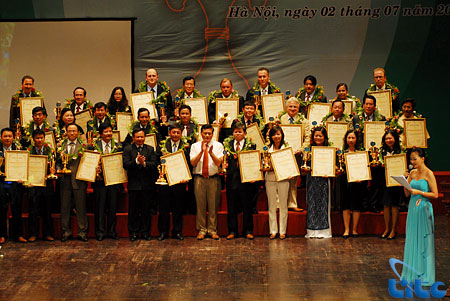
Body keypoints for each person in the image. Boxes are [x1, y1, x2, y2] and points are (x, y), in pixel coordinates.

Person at [401, 148, 438, 286]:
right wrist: (405, 181)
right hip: (413, 208)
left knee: (424, 241)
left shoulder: (429, 174)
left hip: (423, 208)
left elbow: (435, 194)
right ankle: (412, 273)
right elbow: (406, 194)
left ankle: (425, 274)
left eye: (415, 159)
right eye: (411, 159)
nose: (412, 162)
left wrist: (420, 192)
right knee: (412, 239)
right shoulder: (412, 172)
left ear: (422, 159)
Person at [123, 128, 158, 241]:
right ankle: (133, 232)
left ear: (145, 137)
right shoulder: (128, 149)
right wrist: (136, 162)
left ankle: (145, 232)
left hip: (147, 185)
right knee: (133, 210)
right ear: (133, 138)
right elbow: (125, 164)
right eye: (137, 137)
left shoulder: (150, 149)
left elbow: (154, 165)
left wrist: (144, 164)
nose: (140, 139)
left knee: (145, 210)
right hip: (133, 185)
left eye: (142, 137)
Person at [222, 121, 256, 240]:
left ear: (245, 133)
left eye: (240, 132)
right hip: (231, 179)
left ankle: (248, 230)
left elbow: (253, 162)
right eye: (235, 132)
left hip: (246, 180)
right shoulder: (227, 145)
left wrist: (253, 176)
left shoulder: (251, 145)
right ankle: (232, 230)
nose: (237, 134)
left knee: (247, 206)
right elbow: (224, 159)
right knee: (231, 207)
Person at [189, 124, 224, 240]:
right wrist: (201, 152)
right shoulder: (195, 146)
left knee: (213, 205)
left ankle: (213, 229)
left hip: (213, 178)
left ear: (213, 134)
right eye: (205, 133)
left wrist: (211, 153)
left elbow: (219, 163)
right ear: (201, 134)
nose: (207, 135)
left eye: (209, 133)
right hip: (199, 178)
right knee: (200, 205)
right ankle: (202, 230)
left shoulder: (218, 145)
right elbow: (193, 163)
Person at [157, 122, 190, 241]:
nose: (175, 134)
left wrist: (186, 176)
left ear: (181, 134)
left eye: (178, 132)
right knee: (163, 208)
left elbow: (189, 164)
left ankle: (177, 231)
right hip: (165, 182)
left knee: (178, 208)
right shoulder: (162, 146)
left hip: (179, 181)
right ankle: (163, 232)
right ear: (169, 133)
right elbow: (157, 160)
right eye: (173, 132)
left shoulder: (186, 147)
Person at [277, 97, 311, 211]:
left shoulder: (304, 121)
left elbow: (308, 138)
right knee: (281, 178)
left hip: (296, 154)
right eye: (290, 106)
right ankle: (279, 204)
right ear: (286, 107)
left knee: (293, 180)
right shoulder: (281, 119)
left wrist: (301, 149)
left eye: (295, 107)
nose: (292, 109)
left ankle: (292, 204)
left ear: (299, 108)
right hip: (283, 153)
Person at [90, 124, 122, 241]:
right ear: (100, 134)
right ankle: (100, 232)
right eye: (106, 132)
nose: (108, 134)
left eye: (110, 131)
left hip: (113, 181)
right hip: (100, 181)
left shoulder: (118, 146)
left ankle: (112, 231)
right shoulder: (93, 146)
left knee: (113, 207)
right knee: (100, 207)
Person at [57, 123, 88, 242]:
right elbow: (58, 161)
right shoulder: (61, 145)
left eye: (74, 131)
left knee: (81, 207)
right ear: (66, 133)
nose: (72, 133)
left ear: (78, 132)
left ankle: (82, 231)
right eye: (70, 131)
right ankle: (65, 231)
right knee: (64, 207)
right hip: (65, 180)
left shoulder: (84, 146)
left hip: (79, 180)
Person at [27, 129, 55, 242]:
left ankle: (48, 233)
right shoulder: (29, 151)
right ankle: (33, 234)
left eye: (41, 138)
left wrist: (53, 170)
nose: (39, 140)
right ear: (33, 140)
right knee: (33, 210)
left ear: (44, 138)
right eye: (37, 138)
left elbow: (55, 163)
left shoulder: (50, 150)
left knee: (47, 210)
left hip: (46, 183)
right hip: (33, 183)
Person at [305, 126, 332, 238]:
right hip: (312, 180)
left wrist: (331, 171)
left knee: (323, 205)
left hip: (324, 179)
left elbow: (333, 166)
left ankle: (324, 232)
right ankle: (312, 231)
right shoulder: (308, 150)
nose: (318, 138)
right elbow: (304, 165)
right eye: (316, 135)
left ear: (324, 137)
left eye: (320, 136)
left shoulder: (329, 150)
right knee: (312, 204)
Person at [0, 128, 27, 243]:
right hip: (1, 183)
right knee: (1, 209)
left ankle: (18, 235)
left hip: (15, 184)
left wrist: (23, 177)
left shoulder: (19, 150)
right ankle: (2, 235)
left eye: (9, 136)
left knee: (17, 209)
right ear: (1, 138)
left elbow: (24, 166)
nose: (7, 138)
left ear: (13, 137)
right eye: (5, 136)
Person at [264, 126, 290, 239]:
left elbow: (290, 164)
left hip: (284, 178)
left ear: (282, 135)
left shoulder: (287, 149)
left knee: (283, 205)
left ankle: (283, 231)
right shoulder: (266, 149)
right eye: (274, 135)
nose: (276, 137)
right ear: (271, 137)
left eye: (278, 134)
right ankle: (273, 230)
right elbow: (263, 165)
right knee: (272, 205)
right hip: (270, 177)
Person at [341, 129, 367, 238]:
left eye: (353, 138)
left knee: (356, 205)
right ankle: (347, 229)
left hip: (358, 182)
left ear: (357, 139)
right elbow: (339, 168)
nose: (351, 140)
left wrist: (362, 177)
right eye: (349, 138)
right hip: (345, 182)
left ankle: (354, 230)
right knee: (346, 205)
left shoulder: (361, 153)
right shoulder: (341, 153)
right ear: (346, 139)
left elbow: (365, 168)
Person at [379, 129, 404, 240]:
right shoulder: (382, 152)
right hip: (385, 182)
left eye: (390, 138)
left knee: (394, 205)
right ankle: (387, 228)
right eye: (386, 138)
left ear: (395, 139)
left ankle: (394, 229)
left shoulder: (401, 151)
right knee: (386, 205)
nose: (388, 140)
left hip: (397, 182)